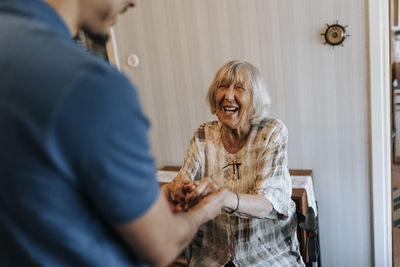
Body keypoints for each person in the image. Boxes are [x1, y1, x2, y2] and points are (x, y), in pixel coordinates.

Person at [0, 0, 227, 266]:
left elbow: (42, 192)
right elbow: (162, 245)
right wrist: (204, 211)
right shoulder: (92, 86)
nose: (133, 2)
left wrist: (153, 201)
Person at [164, 60, 305, 266]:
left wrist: (224, 198)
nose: (228, 95)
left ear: (254, 99)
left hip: (266, 256)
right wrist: (180, 189)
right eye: (223, 86)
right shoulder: (203, 135)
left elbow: (269, 203)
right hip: (211, 257)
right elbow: (183, 181)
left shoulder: (271, 132)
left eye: (239, 88)